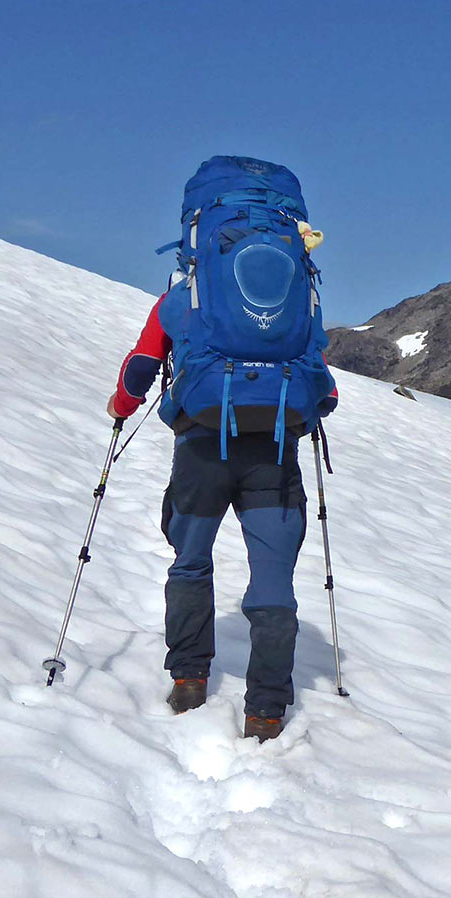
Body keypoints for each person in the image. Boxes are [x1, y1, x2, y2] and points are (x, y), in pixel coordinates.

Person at [108, 156, 338, 742]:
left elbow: (139, 368)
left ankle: (188, 680)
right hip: (274, 452)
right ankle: (265, 711)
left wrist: (121, 408)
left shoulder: (184, 299)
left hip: (201, 451)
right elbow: (325, 387)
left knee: (190, 562)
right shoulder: (299, 301)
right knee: (273, 585)